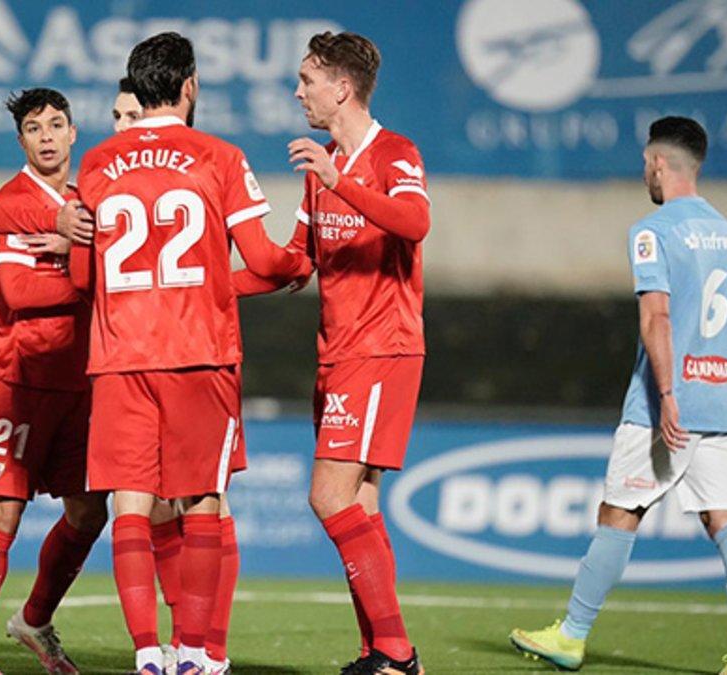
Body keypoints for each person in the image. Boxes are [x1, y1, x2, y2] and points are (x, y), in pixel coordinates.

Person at [72, 31, 309, 675]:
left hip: (119, 357)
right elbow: (261, 258)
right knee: (202, 500)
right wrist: (297, 263)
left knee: (130, 502)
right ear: (190, 86)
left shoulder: (94, 164)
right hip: (198, 354)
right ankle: (197, 654)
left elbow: (78, 274)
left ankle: (147, 653)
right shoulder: (219, 157)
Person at [510, 117, 727, 674]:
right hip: (726, 395)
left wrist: (668, 394)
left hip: (666, 403)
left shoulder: (653, 230)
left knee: (619, 510)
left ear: (657, 162)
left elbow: (658, 317)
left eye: (645, 161)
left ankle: (572, 636)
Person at [234, 30, 430, 674]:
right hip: (339, 354)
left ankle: (396, 652)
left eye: (307, 80)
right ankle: (381, 652)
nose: (297, 92)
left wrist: (340, 180)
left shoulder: (393, 153)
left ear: (341, 88)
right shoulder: (323, 166)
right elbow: (296, 264)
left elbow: (413, 222)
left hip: (382, 350)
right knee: (362, 505)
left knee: (328, 497)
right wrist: (206, 285)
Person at [0, 87, 107, 675]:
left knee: (91, 513)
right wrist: (84, 270)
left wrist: (69, 249)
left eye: (56, 124)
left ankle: (35, 620)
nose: (47, 136)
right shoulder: (11, 202)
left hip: (81, 384)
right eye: (35, 127)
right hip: (17, 380)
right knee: (4, 512)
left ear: (73, 133)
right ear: (22, 140)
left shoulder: (89, 200)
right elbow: (16, 292)